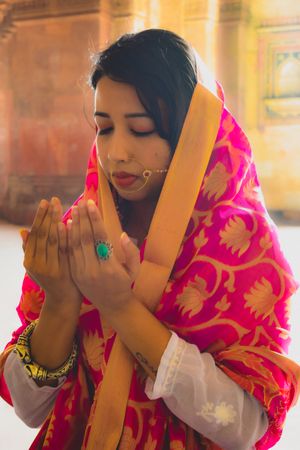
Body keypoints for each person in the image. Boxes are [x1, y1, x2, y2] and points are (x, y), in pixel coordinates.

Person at [0, 28, 299, 450]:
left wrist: (120, 307)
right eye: (104, 129)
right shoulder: (83, 229)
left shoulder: (245, 250)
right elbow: (28, 409)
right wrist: (61, 302)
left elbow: (243, 427)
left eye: (140, 130)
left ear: (189, 134)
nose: (117, 152)